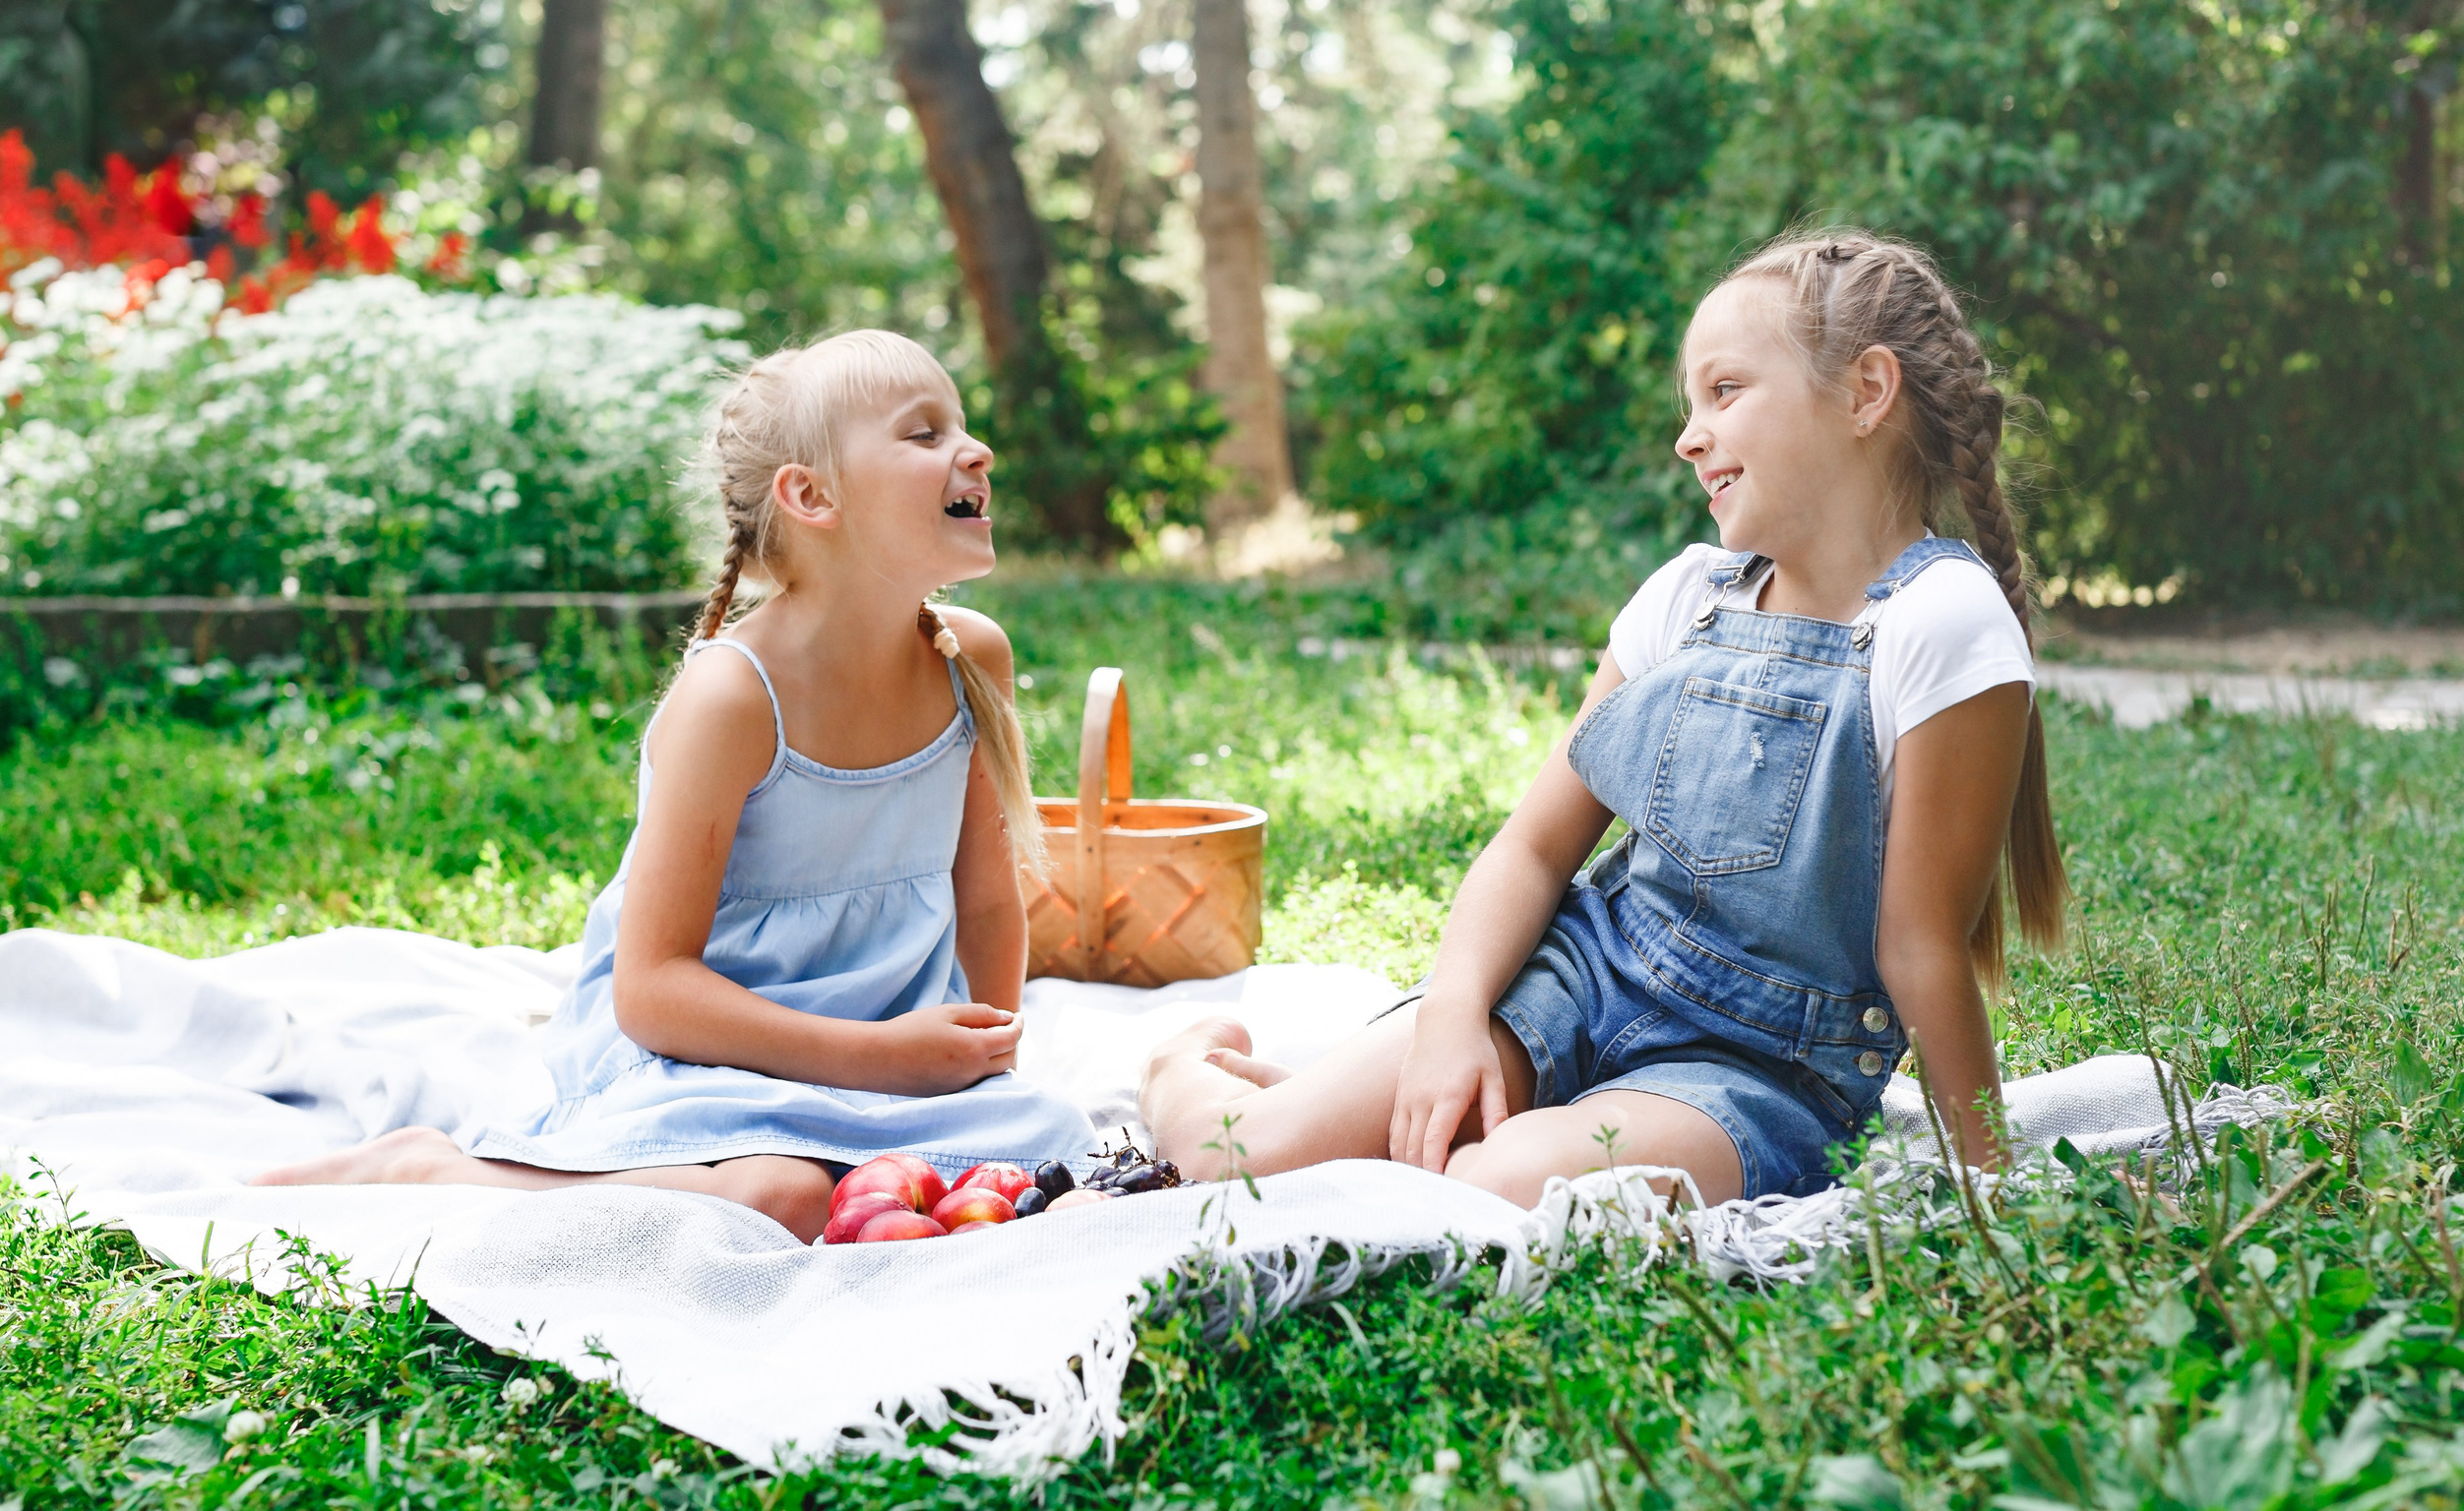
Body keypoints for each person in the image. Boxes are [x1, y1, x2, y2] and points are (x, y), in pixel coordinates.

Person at [1141, 229, 2067, 1207]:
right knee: (1233, 1160)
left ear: (1865, 394)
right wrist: (1454, 1019)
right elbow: (1535, 851)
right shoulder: (1688, 597)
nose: (1689, 435)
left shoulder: (1937, 619)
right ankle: (1178, 1071)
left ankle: (1496, 1124)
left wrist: (1987, 1185)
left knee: (1496, 1187)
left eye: (1724, 391)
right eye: (1689, 403)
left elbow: (1916, 946)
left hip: (1753, 1076)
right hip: (1579, 979)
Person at [256, 331, 1094, 1239]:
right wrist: (879, 1060)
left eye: (961, 426)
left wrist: (976, 1054)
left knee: (1054, 1141)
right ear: (810, 495)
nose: (976, 452)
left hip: (889, 1049)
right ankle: (437, 1170)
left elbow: (985, 898)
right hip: (712, 1054)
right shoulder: (735, 695)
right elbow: (652, 991)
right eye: (924, 433)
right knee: (783, 1197)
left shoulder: (970, 657)